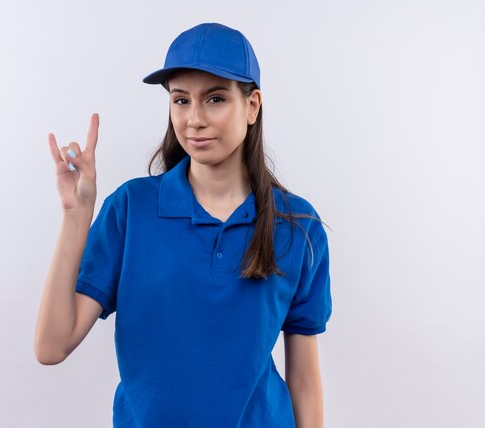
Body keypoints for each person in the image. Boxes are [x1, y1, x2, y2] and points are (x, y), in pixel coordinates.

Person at [35, 22, 332, 428]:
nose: (194, 119)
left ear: (252, 105)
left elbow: (304, 379)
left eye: (214, 98)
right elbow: (52, 346)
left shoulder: (298, 227)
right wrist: (75, 217)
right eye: (180, 100)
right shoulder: (131, 210)